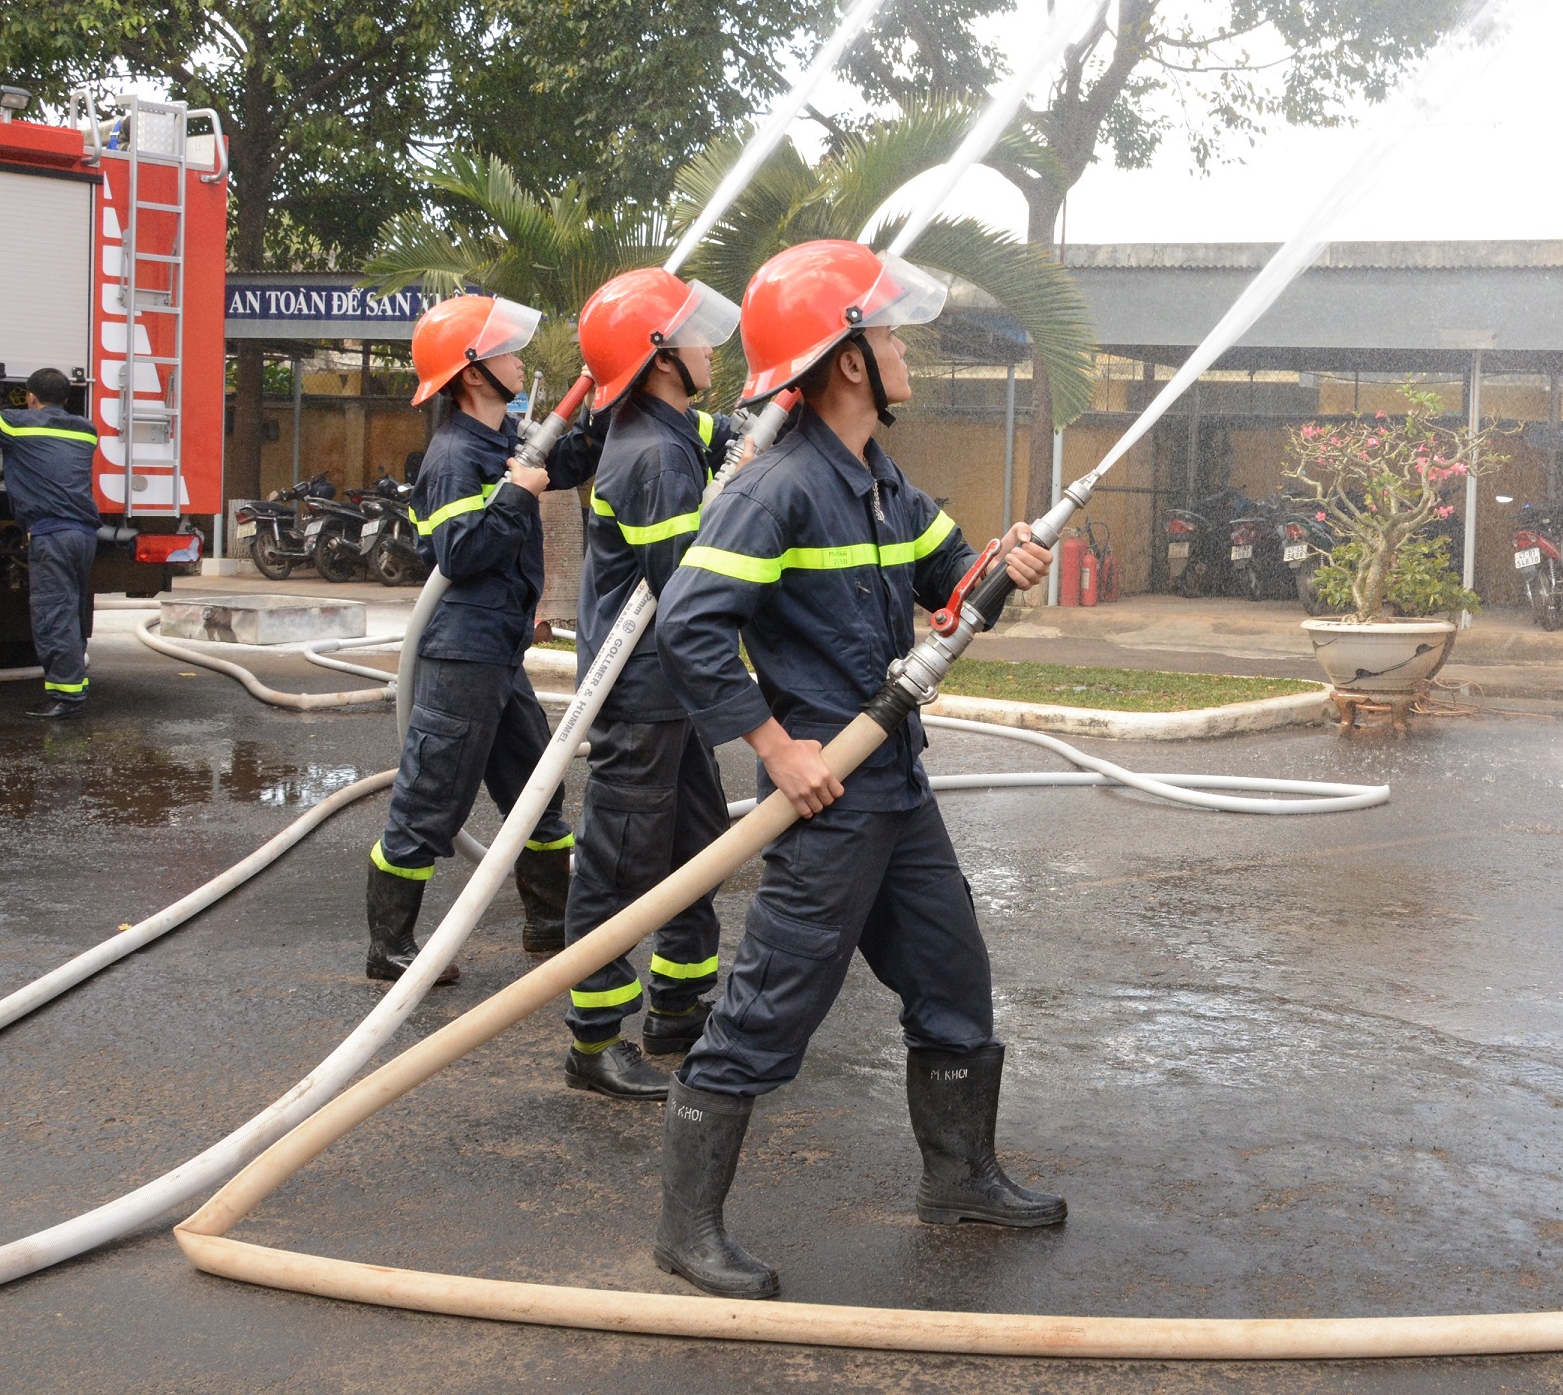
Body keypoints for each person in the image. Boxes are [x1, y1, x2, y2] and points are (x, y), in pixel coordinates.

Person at [647, 239, 1057, 1300]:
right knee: (771, 1009)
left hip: (896, 784)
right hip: (829, 794)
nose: (901, 345)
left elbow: (948, 582)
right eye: (885, 331)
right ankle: (686, 1231)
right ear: (845, 361)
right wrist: (777, 747)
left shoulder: (879, 481)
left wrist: (1001, 567)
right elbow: (690, 625)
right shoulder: (778, 488)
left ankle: (959, 1179)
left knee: (953, 977)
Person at [364, 294, 598, 987]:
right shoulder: (454, 456)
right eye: (507, 351)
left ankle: (548, 925)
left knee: (538, 789)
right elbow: (461, 554)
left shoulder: (507, 440)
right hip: (460, 655)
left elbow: (570, 457)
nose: (520, 360)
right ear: (472, 374)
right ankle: (391, 949)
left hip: (498, 654)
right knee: (429, 803)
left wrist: (613, 402)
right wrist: (520, 494)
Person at [559, 266, 752, 1100]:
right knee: (618, 863)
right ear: (662, 356)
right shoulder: (653, 460)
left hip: (667, 693)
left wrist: (744, 438)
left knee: (697, 849)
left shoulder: (662, 431)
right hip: (642, 694)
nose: (711, 347)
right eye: (696, 336)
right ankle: (595, 1038)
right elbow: (687, 584)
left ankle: (678, 1004)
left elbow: (712, 437)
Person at [0, 369, 100, 720]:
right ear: (67, 399)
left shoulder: (19, 424)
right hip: (83, 535)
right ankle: (75, 684)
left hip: (52, 535)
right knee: (71, 612)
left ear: (31, 397)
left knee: (53, 613)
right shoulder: (86, 431)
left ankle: (67, 697)